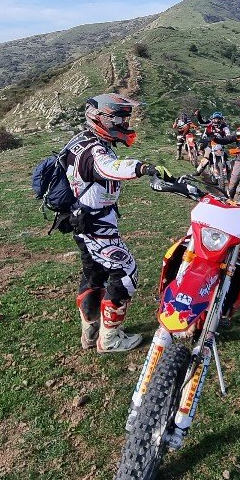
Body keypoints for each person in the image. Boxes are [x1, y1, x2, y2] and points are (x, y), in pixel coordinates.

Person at [66, 94, 159, 353]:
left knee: (94, 274)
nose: (124, 123)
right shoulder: (93, 149)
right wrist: (141, 168)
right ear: (101, 118)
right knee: (126, 272)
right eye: (119, 118)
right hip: (95, 224)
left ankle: (90, 331)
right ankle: (109, 340)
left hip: (85, 220)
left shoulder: (84, 140)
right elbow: (107, 167)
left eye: (125, 118)